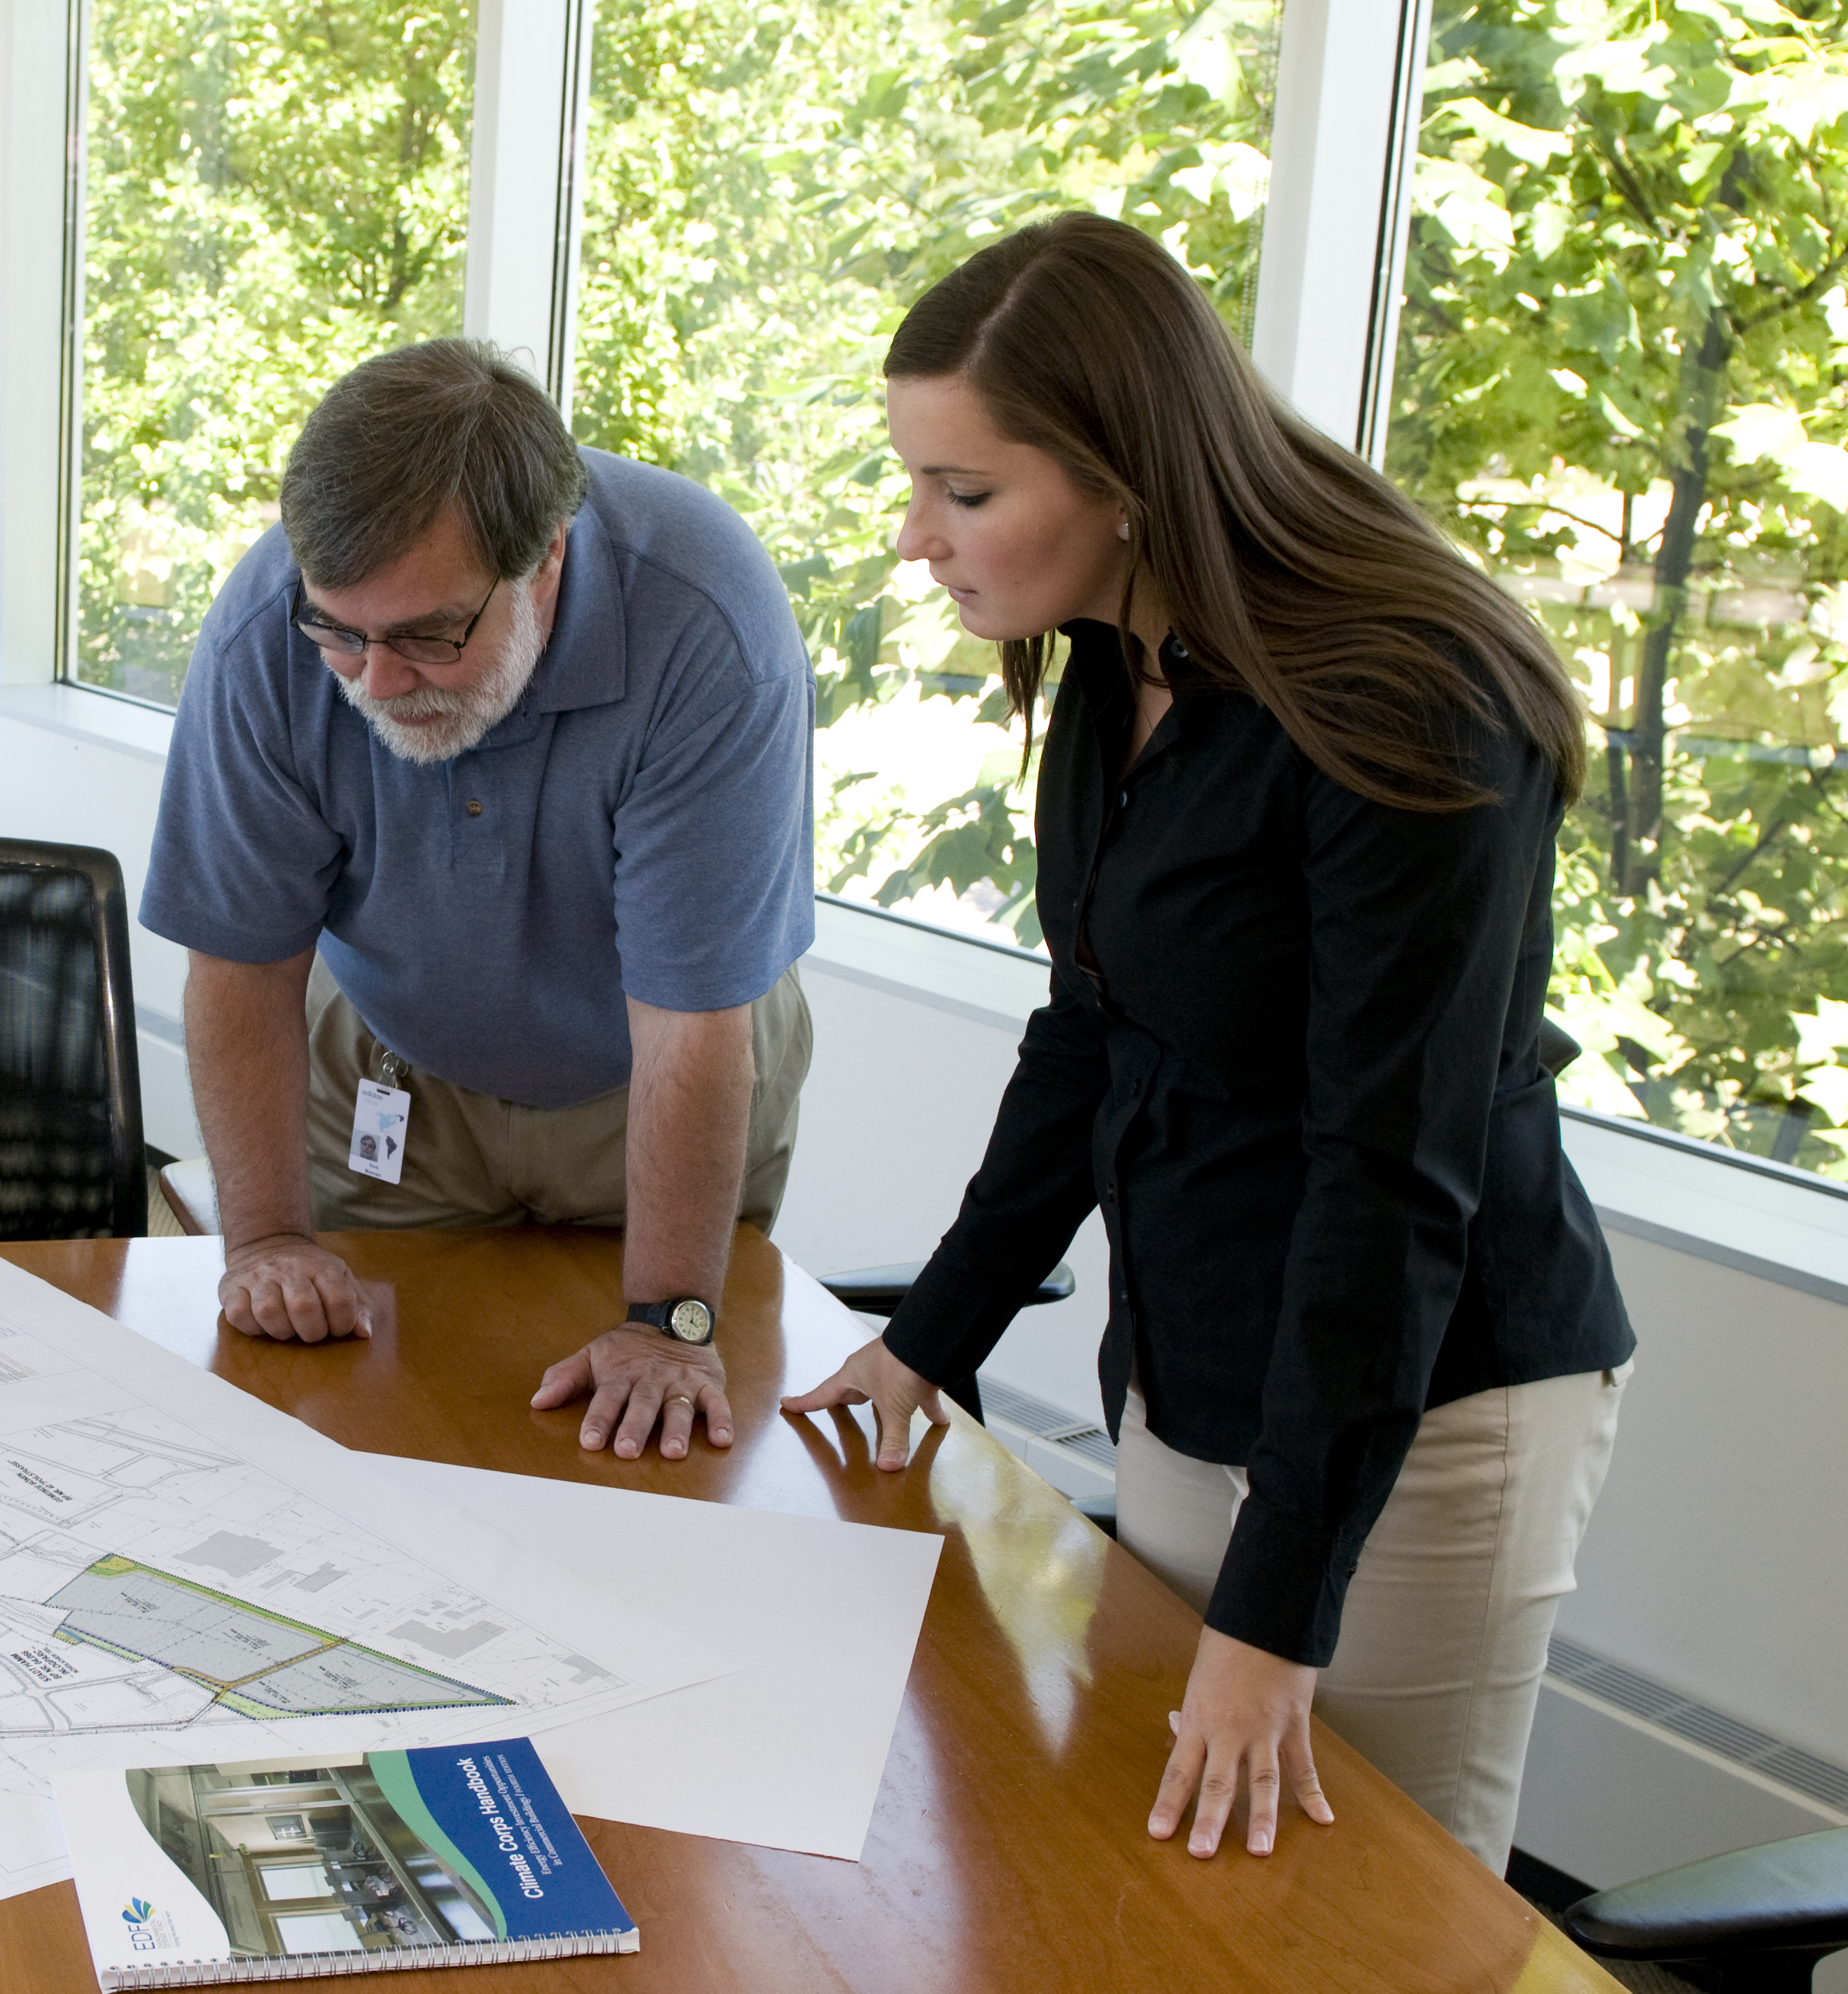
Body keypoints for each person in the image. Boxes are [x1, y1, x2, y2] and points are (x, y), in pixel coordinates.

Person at [784, 213, 1635, 1874]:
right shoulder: (1118, 664)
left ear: (1123, 473)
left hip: (1419, 1420)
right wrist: (929, 1338)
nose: (913, 537)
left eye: (963, 492)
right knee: (1161, 1870)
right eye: (916, 485)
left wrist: (1275, 1608)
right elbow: (1092, 1031)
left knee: (1362, 1916)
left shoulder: (1406, 694)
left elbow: (1383, 1172)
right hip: (1190, 1374)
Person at [141, 338, 815, 1463]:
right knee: (369, 1425)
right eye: (342, 635)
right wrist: (261, 1239)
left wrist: (669, 1324)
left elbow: (694, 1035)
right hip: (391, 1069)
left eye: (427, 636)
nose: (375, 681)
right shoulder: (269, 625)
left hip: (655, 1074)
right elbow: (241, 963)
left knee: (647, 1435)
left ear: (545, 557)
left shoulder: (707, 624)